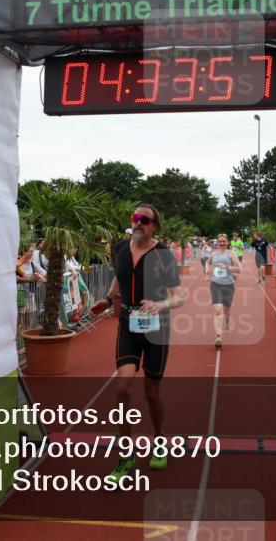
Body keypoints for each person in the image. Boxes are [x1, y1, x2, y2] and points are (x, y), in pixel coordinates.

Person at [90, 204, 183, 481]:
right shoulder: (120, 247)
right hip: (129, 324)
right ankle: (126, 455)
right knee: (122, 389)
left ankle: (159, 439)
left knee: (152, 393)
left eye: (144, 219)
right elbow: (119, 280)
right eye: (135, 218)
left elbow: (180, 296)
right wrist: (107, 300)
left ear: (155, 225)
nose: (138, 222)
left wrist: (160, 304)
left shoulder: (163, 254)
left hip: (157, 328)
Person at [205, 233, 242, 349]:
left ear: (227, 242)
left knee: (226, 310)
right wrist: (207, 270)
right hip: (215, 284)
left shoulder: (232, 254)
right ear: (217, 242)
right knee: (218, 310)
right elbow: (208, 262)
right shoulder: (213, 254)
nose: (221, 243)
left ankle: (226, 321)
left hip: (228, 285)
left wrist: (227, 268)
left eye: (223, 241)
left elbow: (240, 269)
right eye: (220, 241)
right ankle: (218, 337)